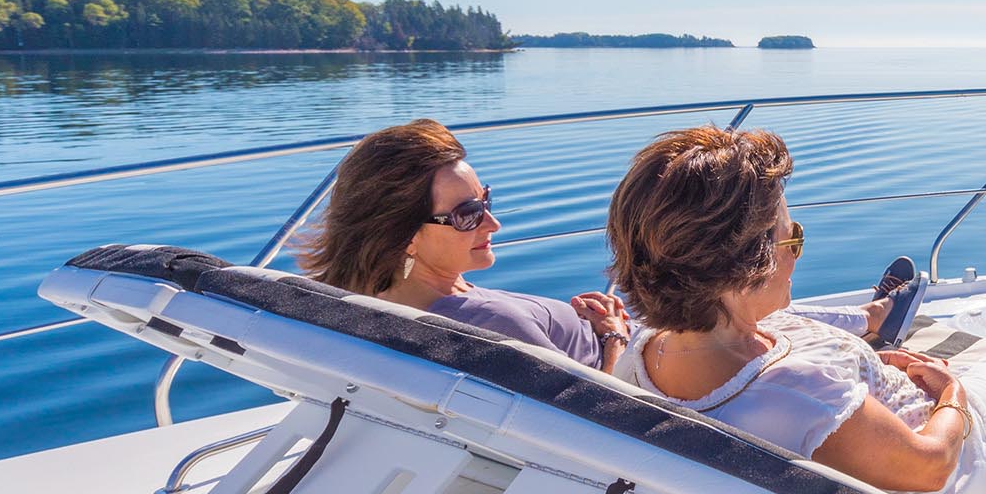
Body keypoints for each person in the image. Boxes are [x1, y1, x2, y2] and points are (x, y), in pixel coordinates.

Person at [606, 125, 986, 494]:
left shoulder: (645, 350)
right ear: (743, 268)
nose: (798, 255)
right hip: (954, 475)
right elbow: (933, 463)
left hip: (867, 412)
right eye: (792, 240)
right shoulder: (801, 397)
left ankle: (881, 320)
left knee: (793, 320)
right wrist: (952, 392)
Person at [296, 119, 923, 374]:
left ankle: (870, 318)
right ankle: (873, 320)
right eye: (467, 215)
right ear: (402, 232)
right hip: (636, 358)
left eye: (486, 197)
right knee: (717, 304)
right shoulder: (478, 324)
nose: (493, 222)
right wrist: (616, 336)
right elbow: (599, 408)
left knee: (716, 298)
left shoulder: (373, 301)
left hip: (611, 334)